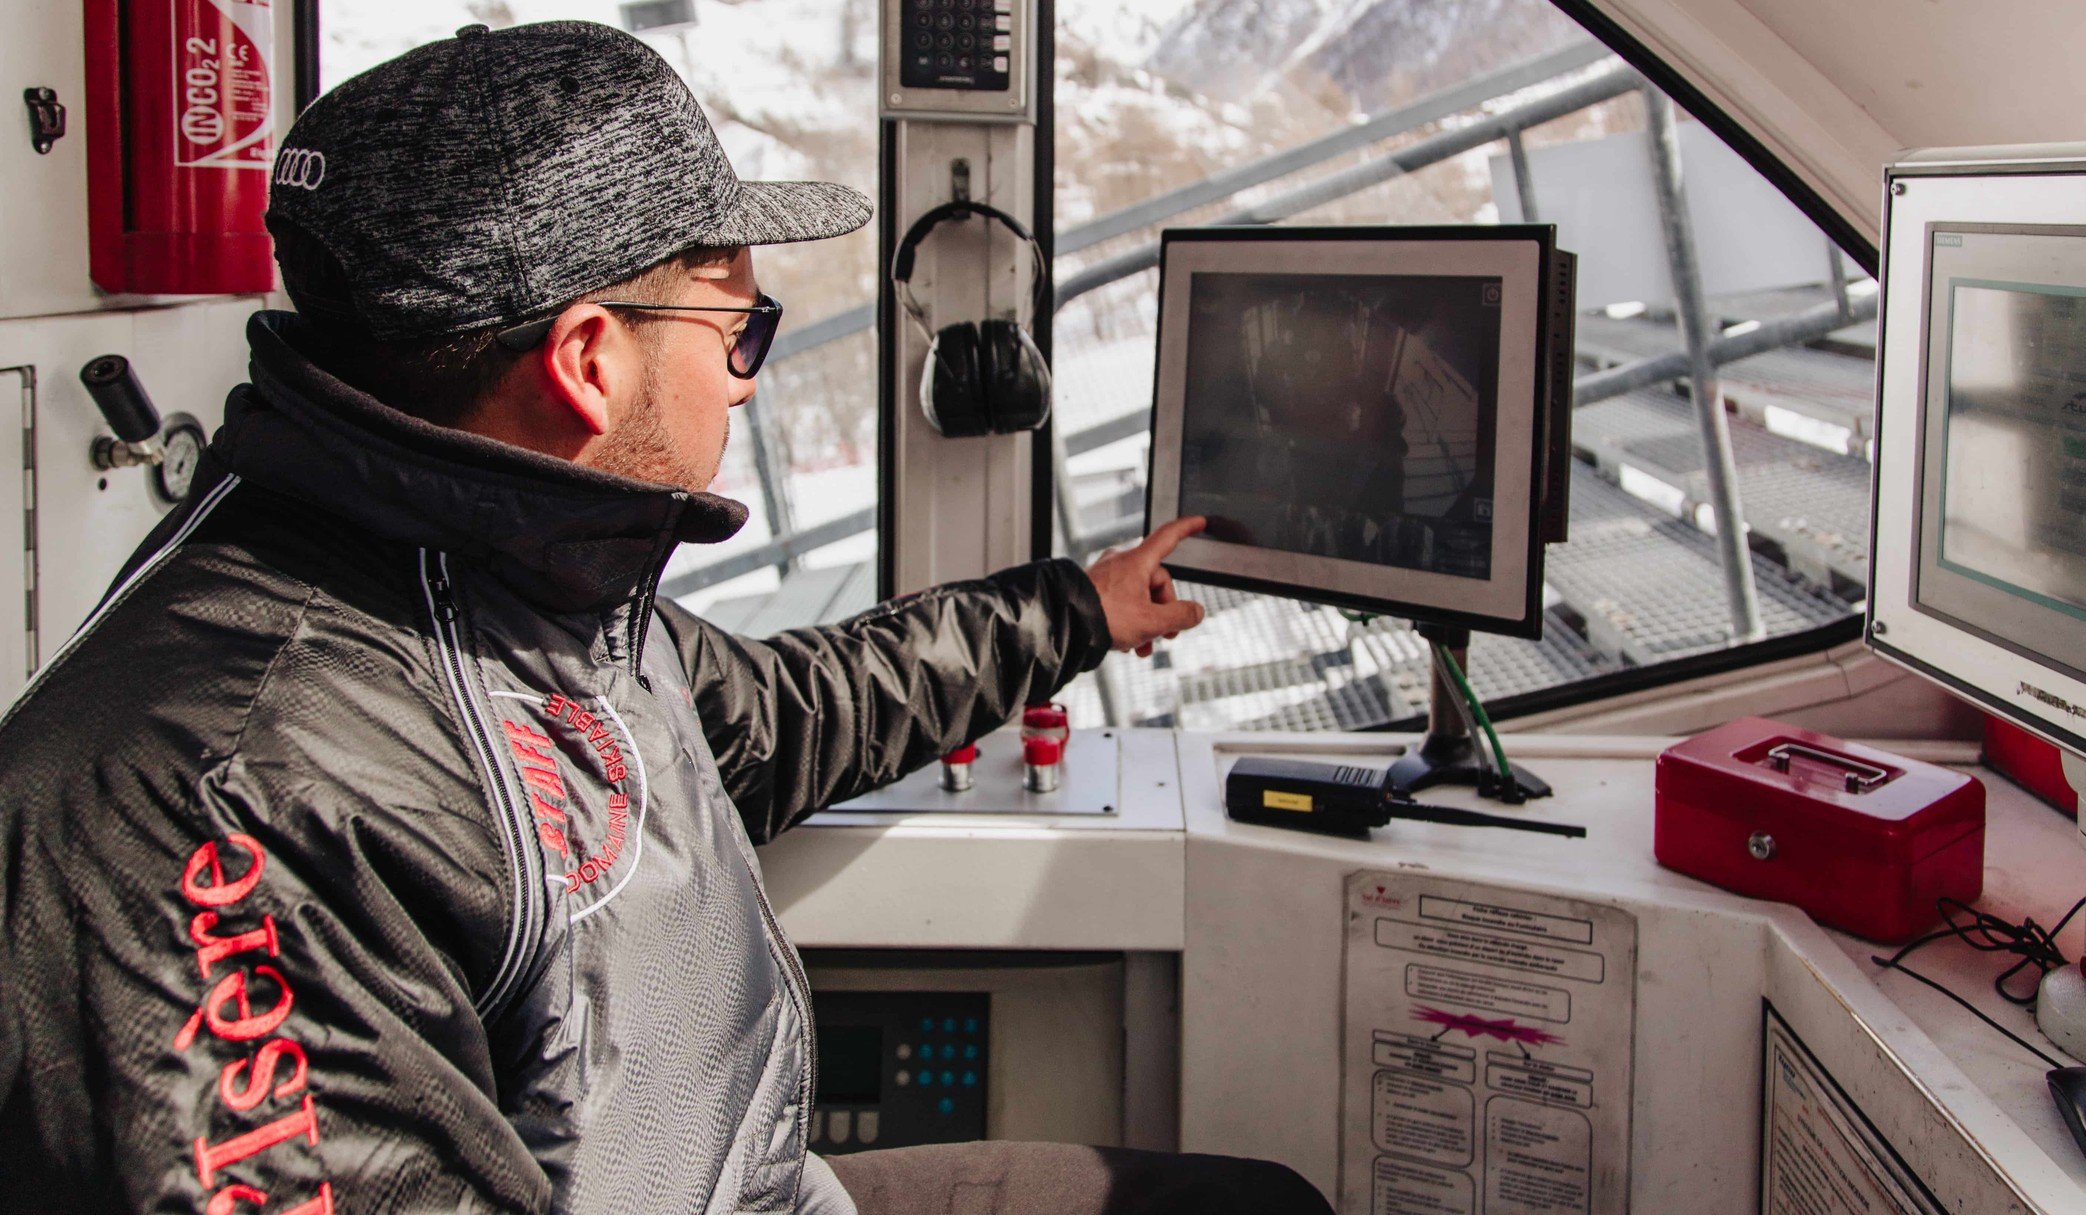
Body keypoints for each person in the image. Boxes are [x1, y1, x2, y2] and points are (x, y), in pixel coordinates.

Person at [0, 20, 1334, 1215]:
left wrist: (1071, 611)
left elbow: (773, 718)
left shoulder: (514, 583)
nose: (746, 380)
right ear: (589, 360)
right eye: (739, 326)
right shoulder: (217, 805)